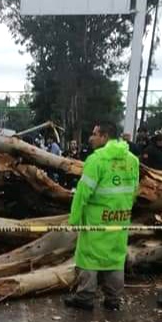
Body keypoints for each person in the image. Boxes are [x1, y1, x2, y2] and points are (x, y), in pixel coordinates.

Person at [64, 122, 139, 311]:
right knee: (115, 256)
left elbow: (83, 193)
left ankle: (85, 297)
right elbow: (134, 190)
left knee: (90, 256)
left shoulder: (96, 159)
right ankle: (113, 299)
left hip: (97, 219)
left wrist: (74, 219)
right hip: (120, 218)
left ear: (104, 137)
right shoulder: (132, 160)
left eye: (95, 134)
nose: (91, 137)